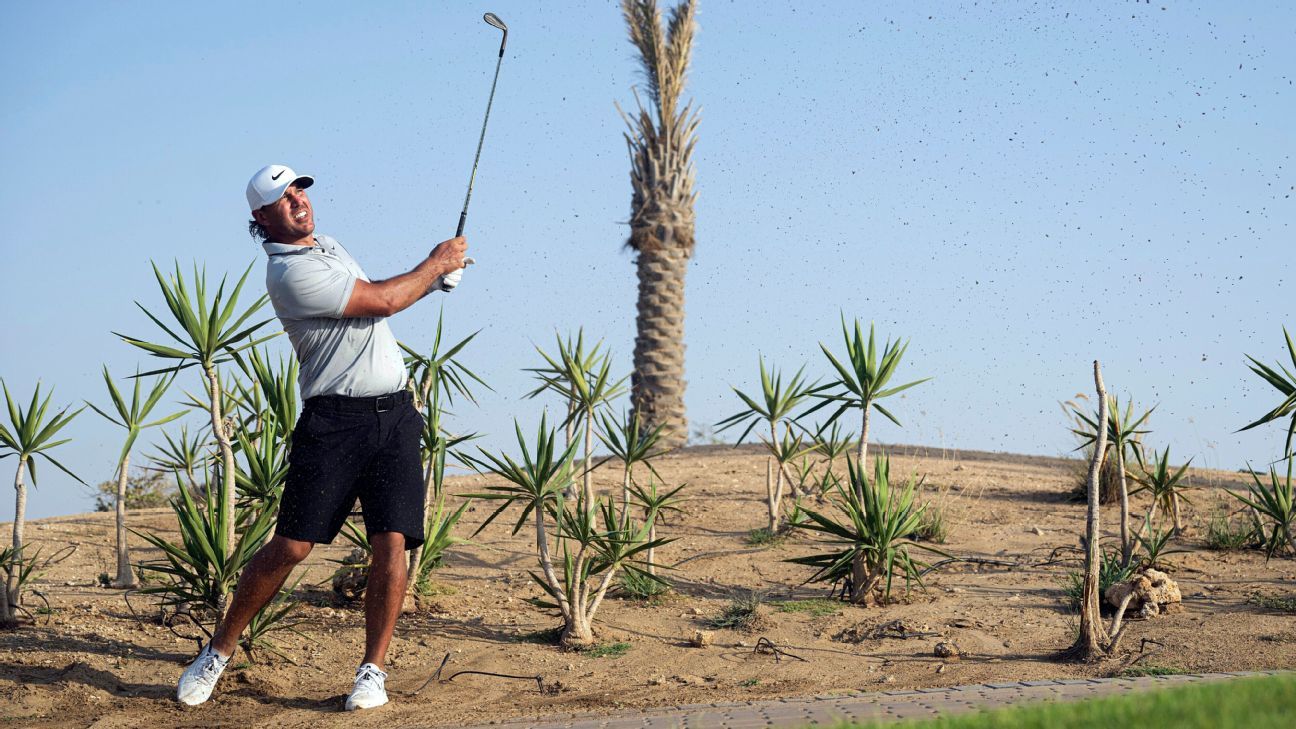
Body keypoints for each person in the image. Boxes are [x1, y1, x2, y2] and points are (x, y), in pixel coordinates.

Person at [175, 164, 470, 710]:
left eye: (298, 191)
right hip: (335, 421)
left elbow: (375, 309)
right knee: (293, 545)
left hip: (395, 416)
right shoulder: (287, 274)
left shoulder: (329, 247)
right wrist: (435, 264)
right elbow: (380, 300)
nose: (297, 201)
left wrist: (434, 281)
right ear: (261, 218)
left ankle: (372, 672)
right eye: (281, 199)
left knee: (392, 542)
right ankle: (219, 650)